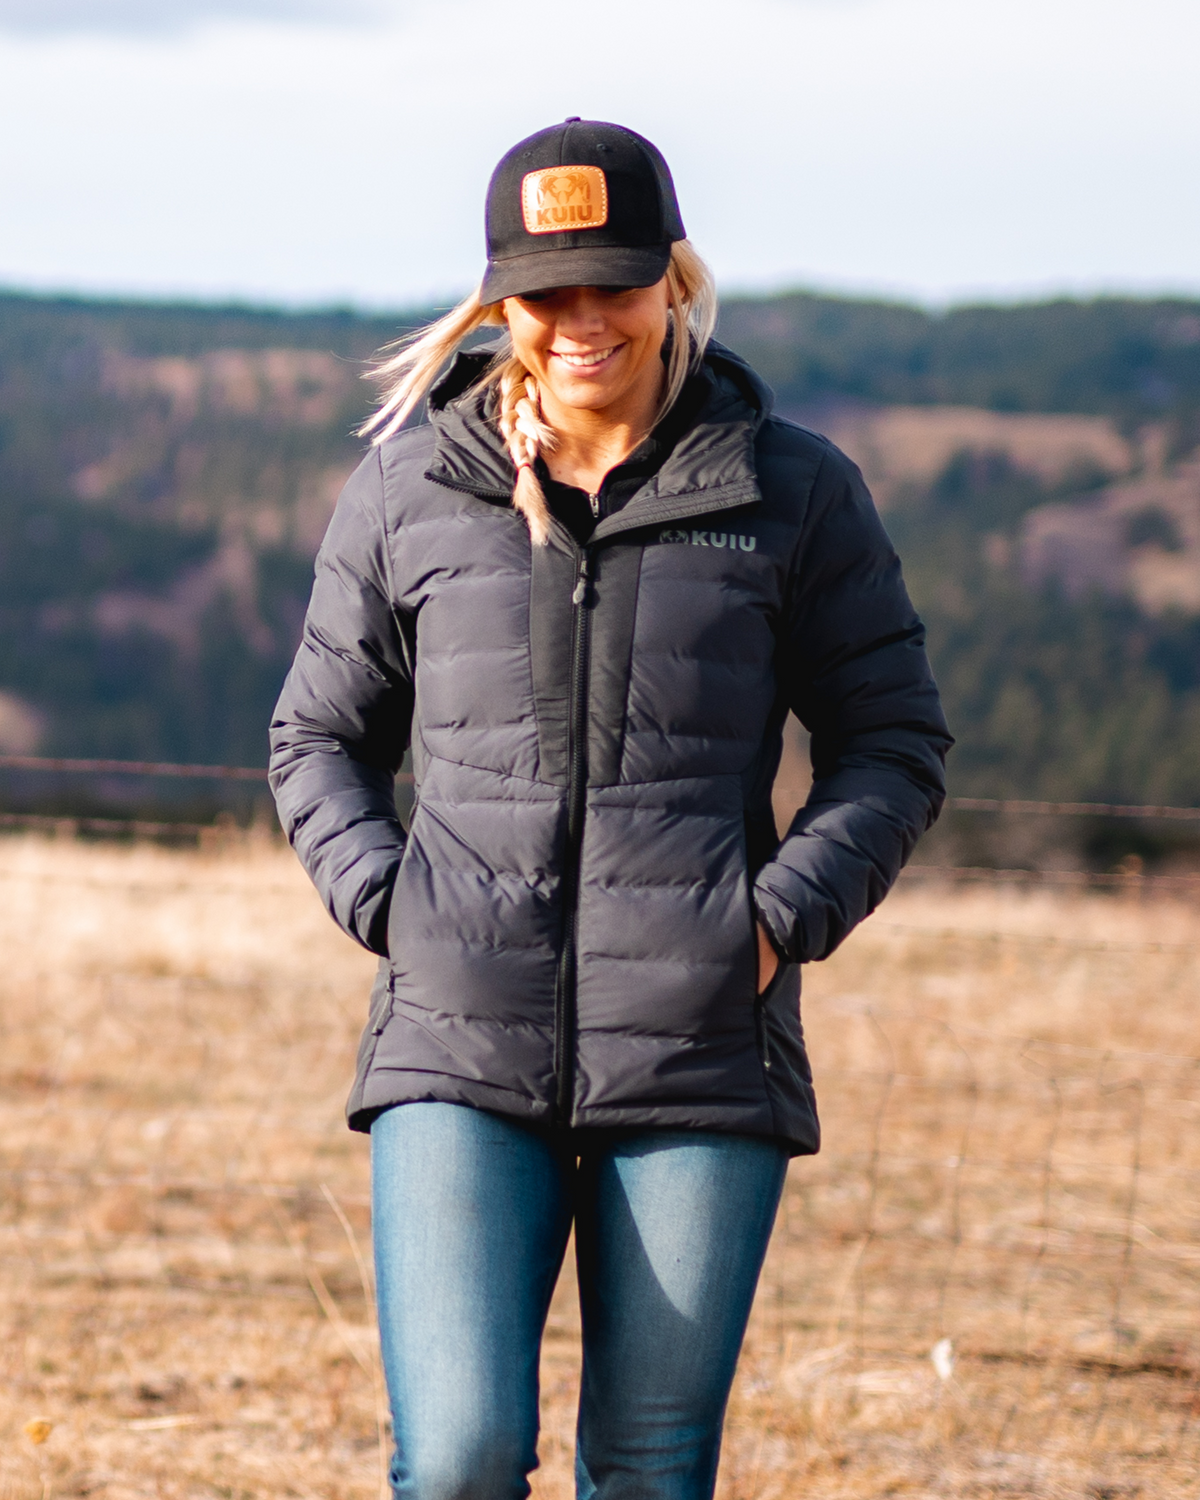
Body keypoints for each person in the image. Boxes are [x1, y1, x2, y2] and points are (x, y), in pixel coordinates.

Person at [269, 118, 950, 1500]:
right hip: (458, 1042)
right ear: (498, 301)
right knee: (458, 1459)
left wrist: (776, 921)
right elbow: (317, 736)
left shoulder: (791, 490)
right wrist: (395, 907)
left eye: (616, 284)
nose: (583, 321)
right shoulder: (409, 489)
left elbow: (892, 743)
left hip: (700, 1051)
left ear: (672, 280)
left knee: (649, 1470)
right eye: (547, 291)